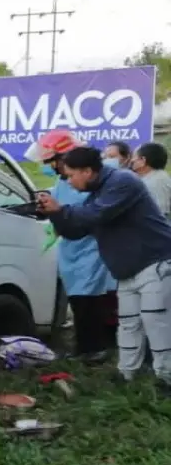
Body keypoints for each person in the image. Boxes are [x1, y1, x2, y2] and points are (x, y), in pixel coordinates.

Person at [38, 146, 171, 389]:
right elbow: (77, 231)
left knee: (157, 322)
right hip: (127, 268)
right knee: (129, 323)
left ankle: (166, 377)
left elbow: (95, 215)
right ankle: (127, 373)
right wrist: (54, 215)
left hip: (155, 261)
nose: (68, 181)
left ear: (87, 171)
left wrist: (61, 210)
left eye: (70, 175)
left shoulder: (123, 182)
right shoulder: (98, 192)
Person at [37, 135, 116, 362]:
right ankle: (84, 348)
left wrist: (61, 212)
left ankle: (94, 348)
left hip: (89, 246)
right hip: (71, 248)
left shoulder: (94, 183)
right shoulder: (63, 182)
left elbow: (85, 214)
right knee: (79, 300)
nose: (49, 167)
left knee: (89, 300)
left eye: (52, 161)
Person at [130, 142, 171, 217]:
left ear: (143, 160)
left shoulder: (156, 182)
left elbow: (157, 214)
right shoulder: (154, 177)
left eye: (133, 157)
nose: (131, 160)